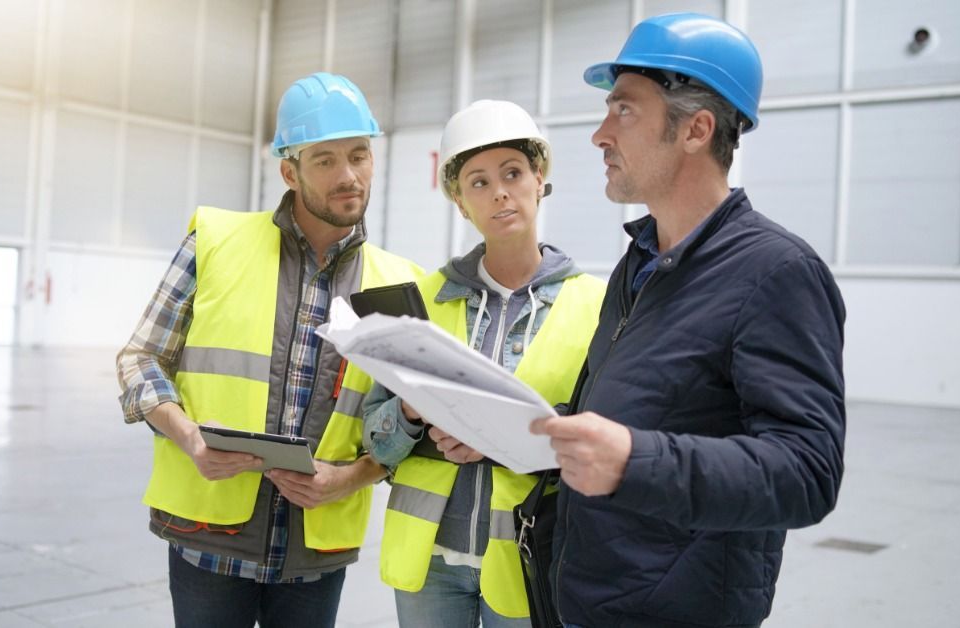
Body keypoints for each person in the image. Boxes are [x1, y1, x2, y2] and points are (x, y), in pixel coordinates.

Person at [528, 13, 847, 628]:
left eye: (623, 111)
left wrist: (633, 462)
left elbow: (807, 471)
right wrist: (519, 433)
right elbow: (629, 413)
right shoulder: (640, 261)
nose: (599, 134)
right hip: (588, 597)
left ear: (696, 129)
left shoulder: (776, 272)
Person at [115, 72, 423, 628]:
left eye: (359, 155)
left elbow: (402, 422)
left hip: (316, 551)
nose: (349, 175)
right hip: (208, 537)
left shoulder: (398, 285)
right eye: (325, 160)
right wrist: (190, 439)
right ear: (290, 170)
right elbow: (140, 359)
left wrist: (349, 478)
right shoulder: (214, 241)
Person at [362, 100, 606, 628]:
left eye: (513, 173)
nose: (499, 192)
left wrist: (496, 435)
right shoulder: (418, 301)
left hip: (525, 555)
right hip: (427, 561)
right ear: (459, 201)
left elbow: (603, 441)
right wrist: (408, 410)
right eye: (477, 182)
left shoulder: (595, 306)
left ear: (539, 180)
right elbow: (375, 439)